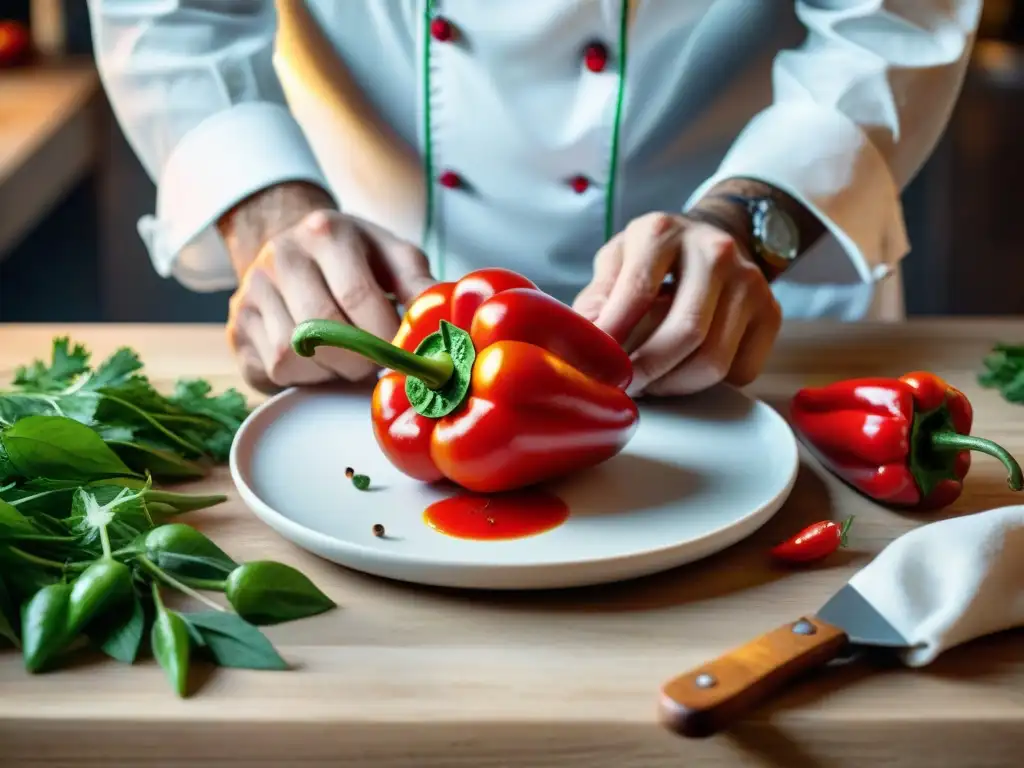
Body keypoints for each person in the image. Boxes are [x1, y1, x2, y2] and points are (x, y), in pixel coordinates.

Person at [87, 1, 980, 396]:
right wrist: (266, 211)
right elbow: (169, 11)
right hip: (381, 315)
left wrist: (750, 221)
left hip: (747, 304)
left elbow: (893, 18)